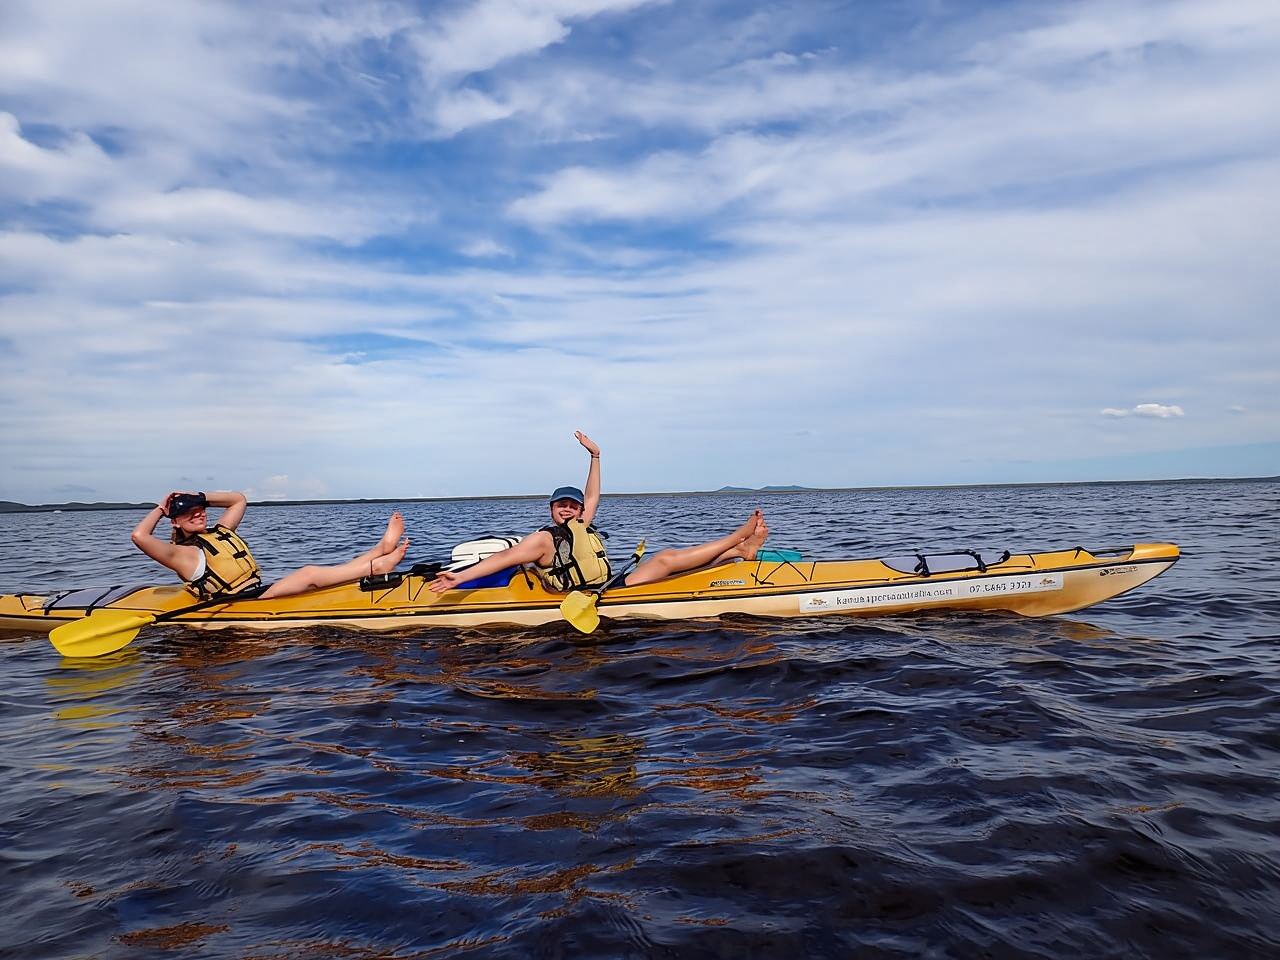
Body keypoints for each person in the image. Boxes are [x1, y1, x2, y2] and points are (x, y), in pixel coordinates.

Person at [430, 432, 768, 594]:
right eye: (561, 504)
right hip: (590, 596)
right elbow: (506, 558)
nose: (568, 508)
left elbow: (592, 494)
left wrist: (595, 456)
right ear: (551, 510)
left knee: (674, 569)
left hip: (607, 585)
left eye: (573, 505)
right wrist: (460, 577)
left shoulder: (580, 524)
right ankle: (736, 538)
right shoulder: (544, 540)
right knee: (665, 560)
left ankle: (739, 550)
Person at [131, 490, 409, 600]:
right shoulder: (182, 555)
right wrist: (161, 508)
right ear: (175, 521)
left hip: (258, 591)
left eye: (201, 509)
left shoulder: (220, 531)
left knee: (337, 569)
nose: (199, 513)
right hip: (239, 603)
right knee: (310, 573)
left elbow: (238, 499)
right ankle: (374, 566)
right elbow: (140, 537)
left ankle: (380, 549)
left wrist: (201, 495)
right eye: (190, 513)